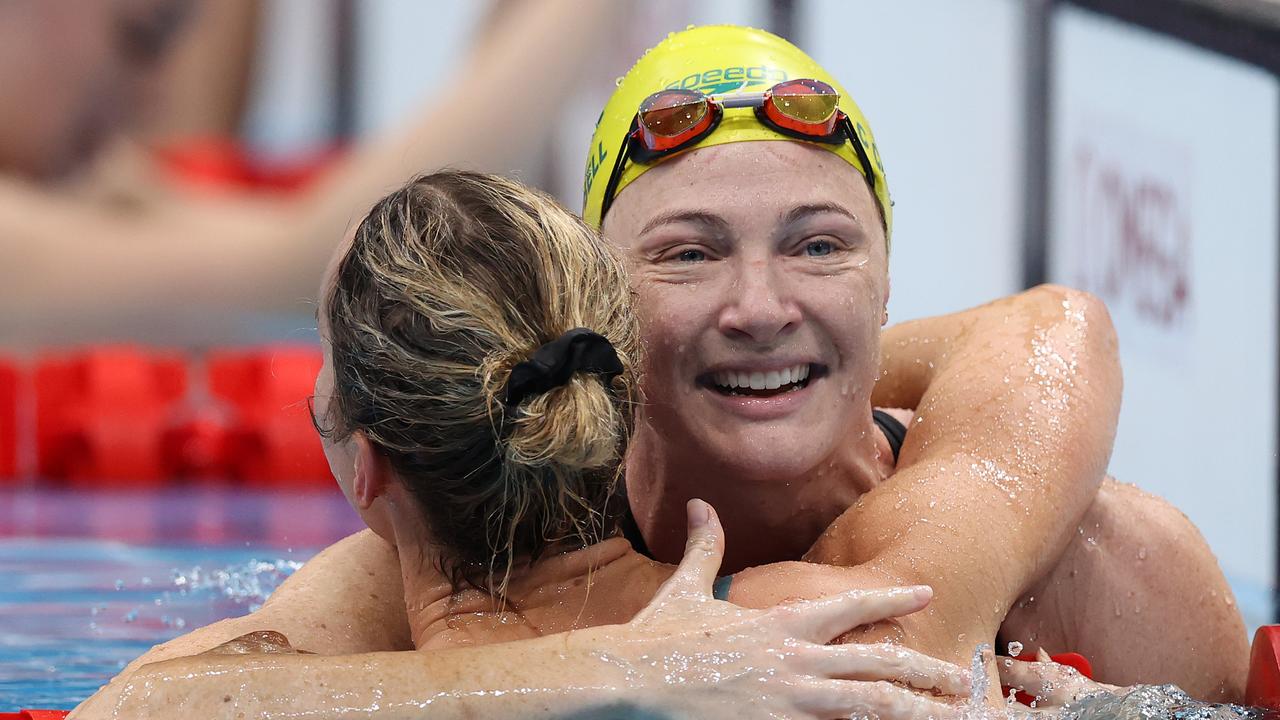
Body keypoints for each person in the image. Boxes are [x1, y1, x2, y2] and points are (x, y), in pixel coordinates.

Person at [75, 23, 1246, 714]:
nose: (757, 307)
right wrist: (603, 673)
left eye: (818, 246)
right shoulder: (460, 549)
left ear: (890, 272)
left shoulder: (1102, 569)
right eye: (687, 258)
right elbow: (151, 703)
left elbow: (1055, 331)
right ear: (601, 305)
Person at [73, 169, 970, 719]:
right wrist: (623, 672)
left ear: (368, 467)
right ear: (625, 404)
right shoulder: (809, 634)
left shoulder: (308, 684)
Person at [0, 0, 631, 344]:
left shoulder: (75, 183)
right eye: (139, 37)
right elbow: (339, 261)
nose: (142, 101)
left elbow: (311, 234)